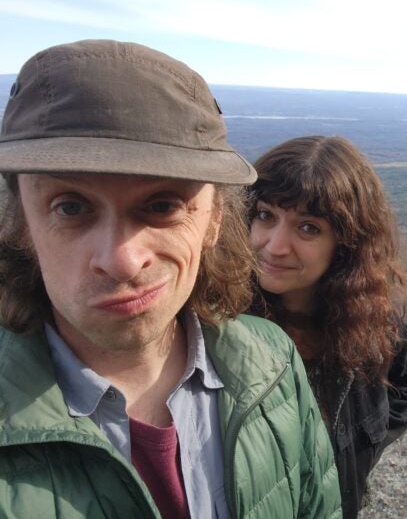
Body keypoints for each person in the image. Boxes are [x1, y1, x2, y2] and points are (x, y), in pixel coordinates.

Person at [0, 40, 342, 519]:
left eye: (162, 205)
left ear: (215, 219)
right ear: (22, 226)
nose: (121, 260)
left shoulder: (272, 364)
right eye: (71, 207)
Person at [247, 135, 407, 518]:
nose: (276, 245)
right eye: (266, 215)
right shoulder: (221, 329)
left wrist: (364, 450)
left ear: (346, 244)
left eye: (308, 228)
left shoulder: (366, 325)